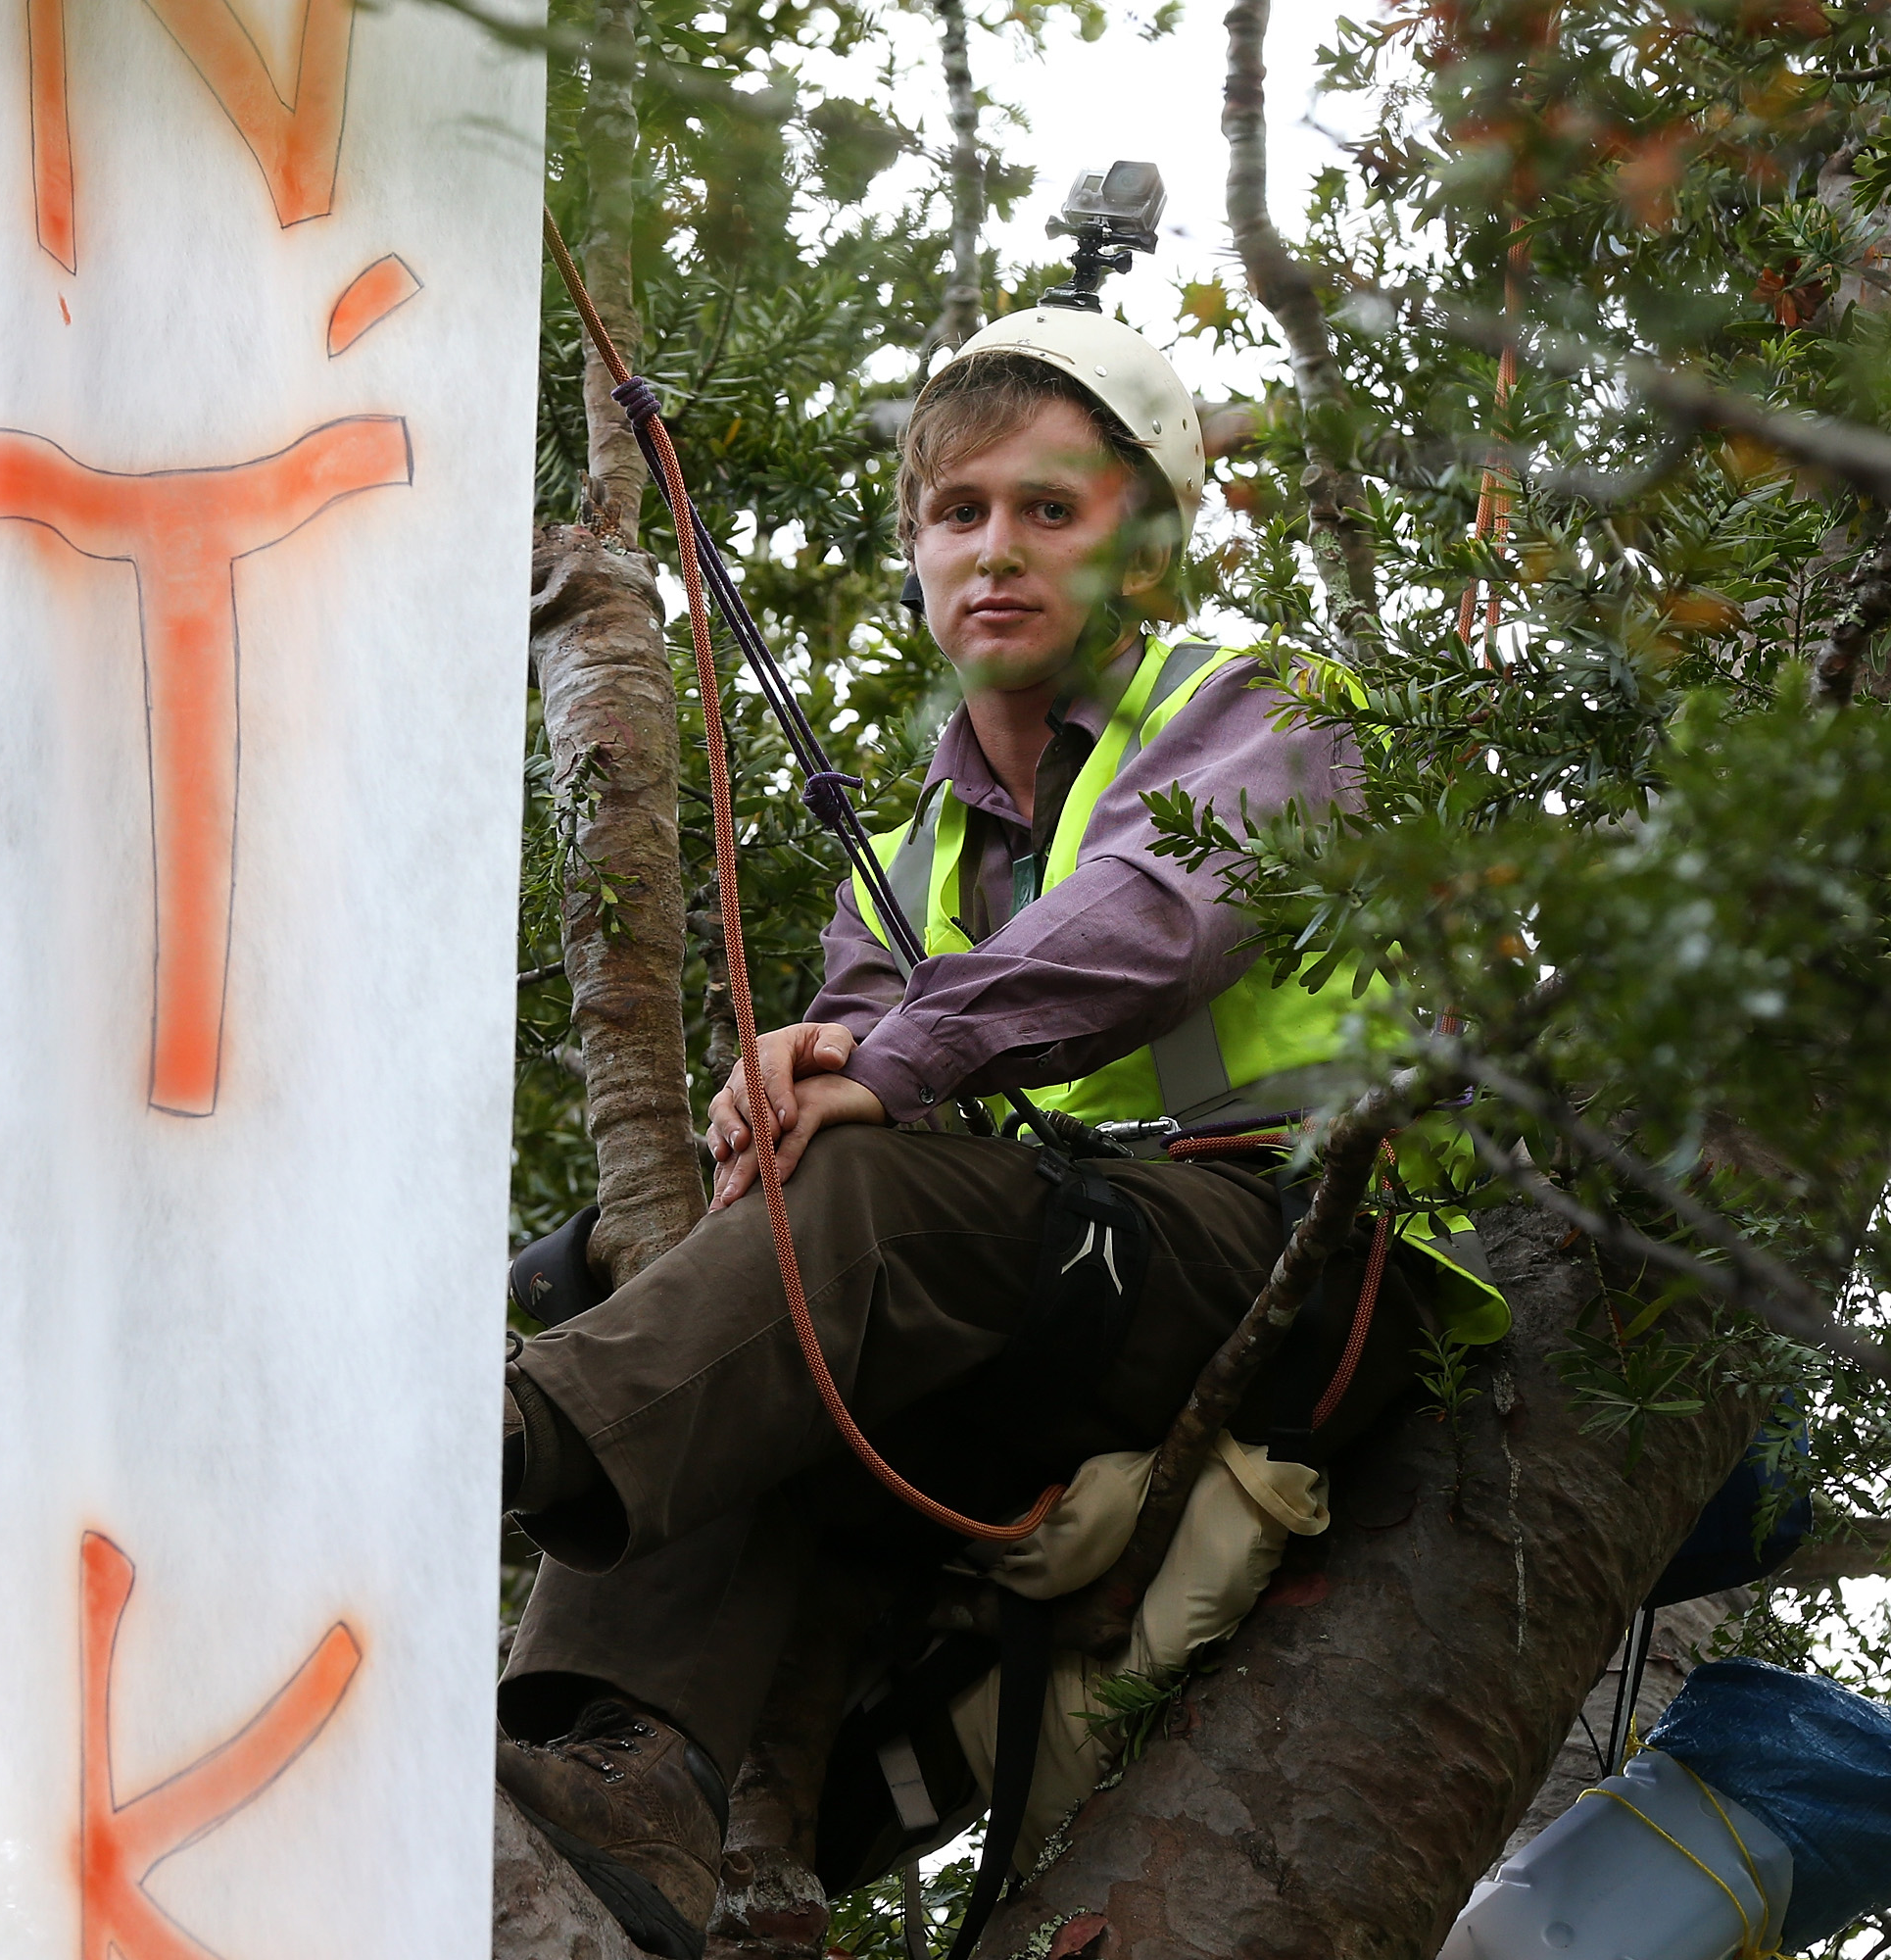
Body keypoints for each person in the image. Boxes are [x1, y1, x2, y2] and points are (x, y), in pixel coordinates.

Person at [492, 305, 1498, 1959]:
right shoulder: (905, 847)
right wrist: (780, 1097)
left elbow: (1159, 921)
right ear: (918, 556)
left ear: (1153, 542)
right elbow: (857, 1073)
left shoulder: (1266, 707)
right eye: (958, 516)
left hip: (1297, 1260)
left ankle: (494, 1449)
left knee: (869, 1188)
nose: (997, 552)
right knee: (791, 1267)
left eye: (1053, 508)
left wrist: (891, 1067)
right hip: (1054, 1294)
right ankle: (631, 1776)